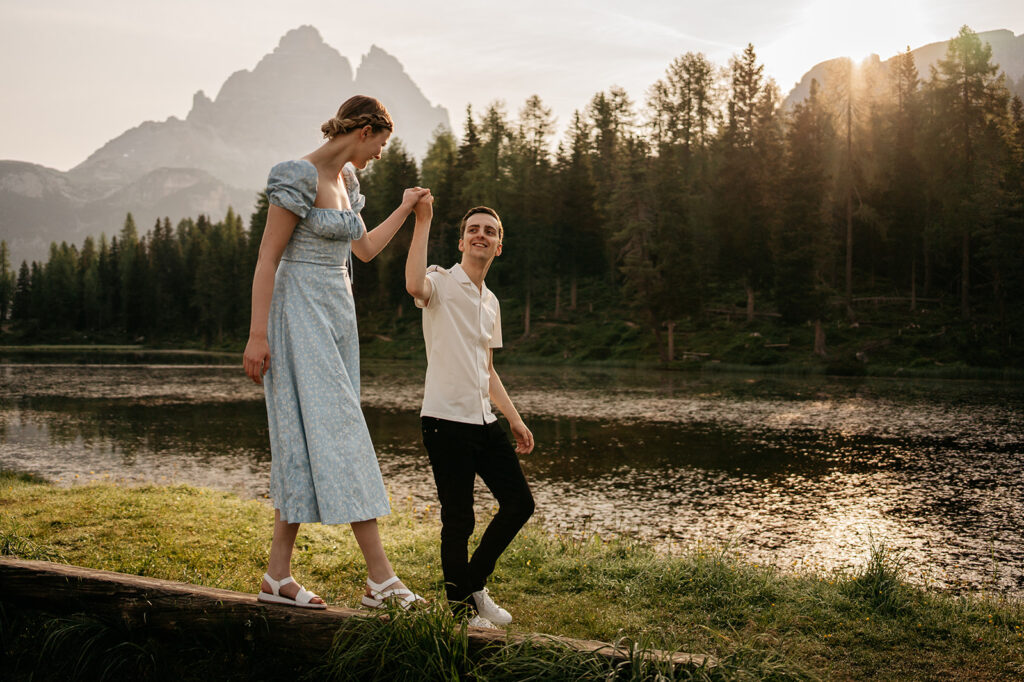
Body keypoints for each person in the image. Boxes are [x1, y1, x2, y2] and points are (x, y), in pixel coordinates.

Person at [243, 95, 426, 610]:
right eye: (382, 143)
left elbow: (364, 251)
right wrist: (258, 335)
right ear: (365, 130)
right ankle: (381, 579)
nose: (381, 154)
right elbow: (267, 257)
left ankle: (278, 577)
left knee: (309, 434)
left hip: (338, 317)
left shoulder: (348, 183)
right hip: (297, 311)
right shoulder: (297, 175)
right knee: (343, 431)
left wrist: (407, 209)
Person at [404, 200, 535, 628]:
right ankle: (461, 611)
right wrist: (422, 220)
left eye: (490, 231)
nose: (482, 234)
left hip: (483, 420)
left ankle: (473, 586)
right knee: (459, 518)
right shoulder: (439, 282)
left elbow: (488, 369)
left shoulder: (491, 301)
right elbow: (413, 285)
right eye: (474, 229)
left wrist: (513, 418)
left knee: (519, 504)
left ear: (499, 247)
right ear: (462, 241)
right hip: (445, 421)